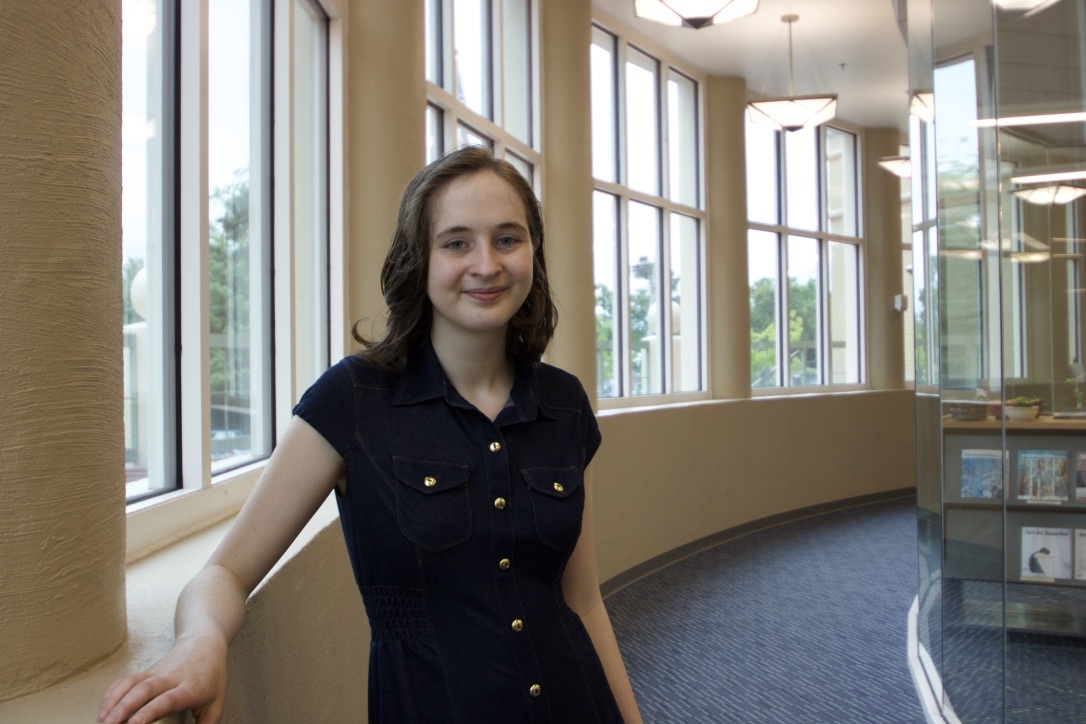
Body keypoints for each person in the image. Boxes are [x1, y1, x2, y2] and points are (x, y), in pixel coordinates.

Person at [99, 146, 643, 724]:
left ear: (533, 250)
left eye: (507, 239)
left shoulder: (564, 404)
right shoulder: (352, 401)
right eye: (456, 243)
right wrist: (198, 644)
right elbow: (223, 574)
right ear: (419, 259)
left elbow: (582, 601)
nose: (486, 264)